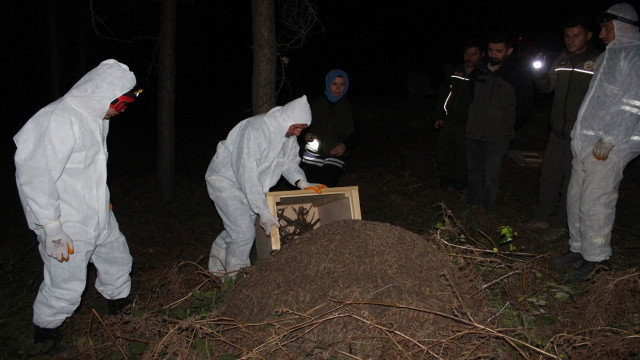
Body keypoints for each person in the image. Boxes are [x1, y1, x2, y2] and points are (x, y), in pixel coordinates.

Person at [13, 59, 140, 350]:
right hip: (66, 223)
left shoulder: (96, 118)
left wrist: (103, 204)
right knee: (65, 284)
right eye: (120, 104)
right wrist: (51, 228)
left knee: (117, 259)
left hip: (98, 216)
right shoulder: (59, 118)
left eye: (126, 105)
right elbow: (34, 177)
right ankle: (46, 331)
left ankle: (120, 306)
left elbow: (89, 173)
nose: (121, 112)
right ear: (103, 94)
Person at [551, 3, 640, 281]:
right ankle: (579, 249)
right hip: (586, 142)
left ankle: (598, 258)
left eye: (606, 28)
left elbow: (633, 104)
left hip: (612, 144)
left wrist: (611, 138)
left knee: (596, 201)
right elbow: (593, 102)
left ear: (623, 26)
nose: (601, 34)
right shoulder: (605, 58)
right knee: (576, 197)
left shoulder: (635, 57)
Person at [205, 95, 326, 280]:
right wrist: (262, 209)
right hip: (227, 182)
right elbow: (246, 172)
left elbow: (289, 164)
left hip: (254, 188)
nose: (299, 133)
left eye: (302, 129)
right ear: (287, 120)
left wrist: (303, 183)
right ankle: (233, 281)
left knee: (237, 230)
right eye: (297, 127)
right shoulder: (256, 130)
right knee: (243, 233)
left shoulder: (288, 136)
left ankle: (216, 270)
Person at [528, 16, 601, 233]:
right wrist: (538, 74)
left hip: (582, 135)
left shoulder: (599, 61)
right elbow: (546, 88)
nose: (570, 40)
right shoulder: (560, 60)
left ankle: (562, 223)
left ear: (588, 36)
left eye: (576, 36)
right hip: (557, 132)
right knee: (549, 176)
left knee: (573, 182)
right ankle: (542, 216)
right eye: (567, 36)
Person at [465, 32, 534, 213]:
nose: (494, 54)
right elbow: (469, 99)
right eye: (490, 50)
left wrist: (509, 126)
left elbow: (525, 106)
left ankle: (485, 213)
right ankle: (471, 208)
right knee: (474, 174)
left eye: (499, 50)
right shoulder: (479, 71)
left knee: (490, 176)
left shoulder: (517, 75)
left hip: (498, 136)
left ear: (509, 51)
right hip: (474, 133)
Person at [432, 40, 485, 191]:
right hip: (449, 120)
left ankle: (460, 184)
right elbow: (443, 94)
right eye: (466, 53)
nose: (469, 57)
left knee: (464, 156)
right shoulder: (455, 71)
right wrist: (439, 115)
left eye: (473, 54)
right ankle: (445, 181)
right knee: (444, 153)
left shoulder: (482, 75)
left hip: (469, 123)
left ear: (481, 55)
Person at [301, 69, 361, 187]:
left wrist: (344, 145)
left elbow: (357, 132)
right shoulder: (316, 102)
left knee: (328, 184)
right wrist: (306, 135)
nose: (338, 88)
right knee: (313, 185)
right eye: (334, 84)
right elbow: (304, 124)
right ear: (328, 84)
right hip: (313, 151)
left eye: (342, 85)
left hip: (336, 153)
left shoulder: (350, 105)